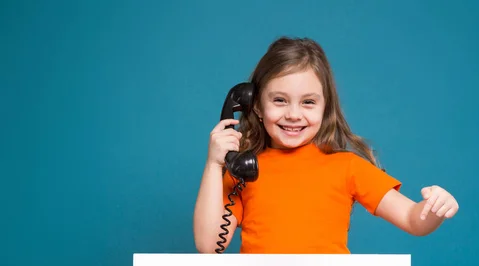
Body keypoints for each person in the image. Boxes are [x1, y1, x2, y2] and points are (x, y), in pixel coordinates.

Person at [193, 36, 459, 254]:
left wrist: (435, 208)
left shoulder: (348, 167)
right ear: (257, 107)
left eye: (308, 102)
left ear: (324, 108)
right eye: (280, 100)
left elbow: (413, 220)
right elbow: (208, 245)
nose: (294, 114)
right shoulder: (244, 172)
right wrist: (214, 164)